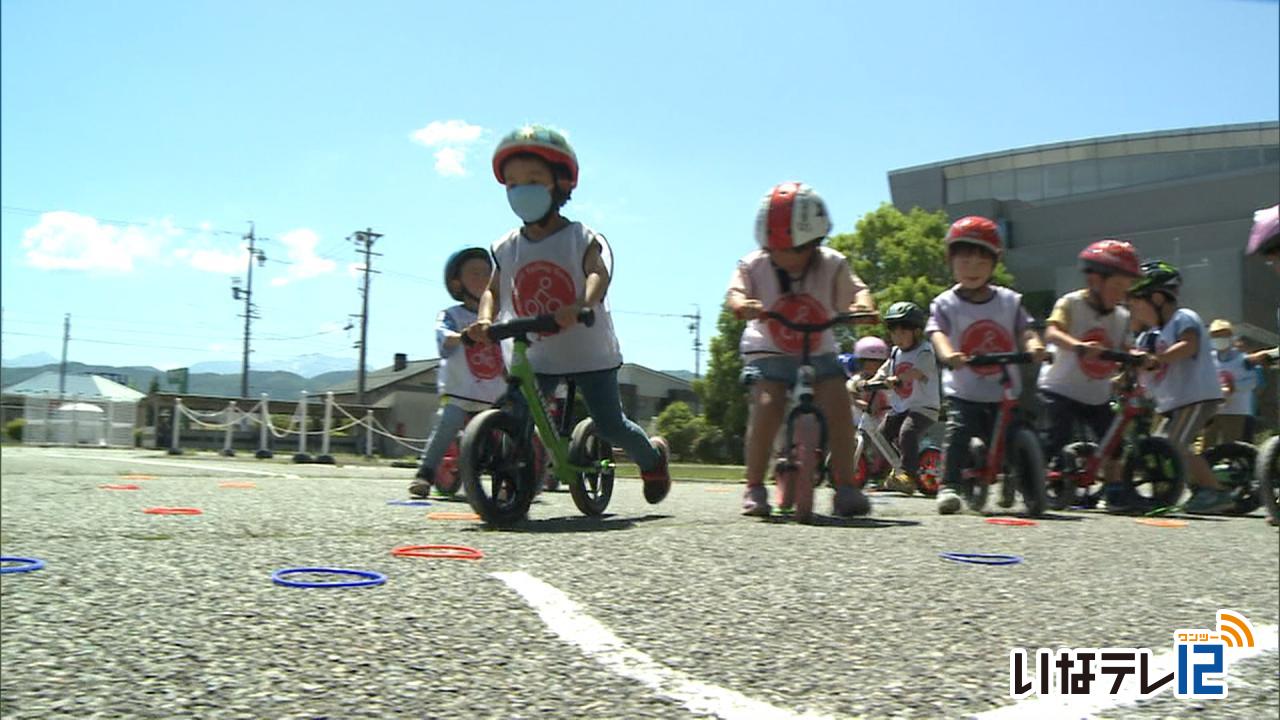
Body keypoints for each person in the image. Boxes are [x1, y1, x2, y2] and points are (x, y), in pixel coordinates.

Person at [466, 124, 671, 503]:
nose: (520, 190)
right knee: (520, 417)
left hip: (589, 351)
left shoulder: (579, 237)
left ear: (561, 183)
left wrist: (581, 305)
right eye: (512, 183)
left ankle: (652, 458)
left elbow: (598, 273)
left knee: (610, 424)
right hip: (537, 353)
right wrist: (484, 320)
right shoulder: (507, 247)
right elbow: (492, 292)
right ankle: (514, 485)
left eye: (532, 180)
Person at [727, 181, 877, 517]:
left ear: (815, 242)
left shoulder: (832, 264)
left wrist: (861, 306)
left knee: (839, 404)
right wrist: (743, 304)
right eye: (774, 248)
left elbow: (858, 291)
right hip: (768, 352)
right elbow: (736, 291)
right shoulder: (754, 264)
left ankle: (846, 486)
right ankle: (754, 485)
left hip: (819, 349)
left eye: (794, 250)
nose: (783, 257)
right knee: (768, 403)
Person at [926, 216, 1046, 515]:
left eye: (981, 264)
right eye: (964, 262)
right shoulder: (945, 304)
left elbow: (1025, 329)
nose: (972, 270)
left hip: (1004, 386)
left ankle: (1026, 484)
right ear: (951, 261)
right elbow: (937, 332)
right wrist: (948, 353)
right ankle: (950, 485)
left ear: (994, 264)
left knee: (1017, 430)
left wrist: (1033, 345)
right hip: (965, 389)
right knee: (959, 430)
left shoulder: (1009, 301)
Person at [1036, 239, 1143, 511]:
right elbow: (1052, 332)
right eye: (1117, 286)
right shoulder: (1070, 303)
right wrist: (1078, 347)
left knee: (1114, 440)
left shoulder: (1121, 316)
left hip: (1096, 393)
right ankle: (1032, 482)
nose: (1122, 294)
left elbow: (1126, 346)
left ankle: (1116, 491)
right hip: (1059, 387)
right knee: (1055, 436)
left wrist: (1139, 356)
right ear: (1095, 280)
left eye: (1126, 288)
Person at [1127, 261, 1231, 514]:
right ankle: (1174, 490)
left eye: (1136, 303)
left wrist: (1158, 359)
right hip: (1173, 402)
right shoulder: (1150, 334)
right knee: (1161, 446)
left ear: (1158, 298)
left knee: (1176, 445)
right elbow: (1141, 363)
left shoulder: (1183, 318)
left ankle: (1214, 492)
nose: (1133, 310)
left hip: (1197, 396)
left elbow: (1189, 346)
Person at [409, 248, 507, 498]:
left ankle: (508, 478)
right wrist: (462, 336)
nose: (483, 278)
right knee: (448, 422)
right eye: (475, 273)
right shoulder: (453, 315)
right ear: (457, 283)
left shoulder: (501, 318)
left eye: (488, 274)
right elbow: (443, 337)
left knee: (506, 431)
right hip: (459, 391)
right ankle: (425, 473)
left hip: (492, 394)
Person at [854, 301, 940, 495]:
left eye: (903, 333)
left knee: (907, 433)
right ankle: (896, 470)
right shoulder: (895, 352)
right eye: (894, 333)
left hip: (923, 407)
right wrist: (869, 382)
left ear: (916, 332)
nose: (897, 338)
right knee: (882, 434)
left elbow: (917, 372)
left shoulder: (925, 351)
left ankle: (907, 476)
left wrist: (898, 379)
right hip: (901, 406)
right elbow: (884, 370)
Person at [1202, 319, 1258, 448]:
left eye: (1222, 335)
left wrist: (1234, 387)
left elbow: (1252, 382)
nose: (1218, 339)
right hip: (1213, 410)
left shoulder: (1243, 359)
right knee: (1207, 446)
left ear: (1230, 337)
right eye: (1215, 336)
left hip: (1236, 410)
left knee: (1232, 447)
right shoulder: (1208, 360)